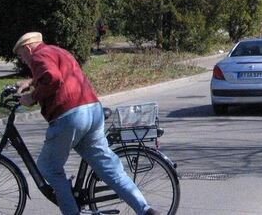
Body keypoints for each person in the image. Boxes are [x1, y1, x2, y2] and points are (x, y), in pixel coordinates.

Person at [13, 32, 160, 215]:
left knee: (48, 167)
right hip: (91, 109)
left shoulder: (37, 56)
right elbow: (57, 72)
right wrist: (32, 81)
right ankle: (145, 209)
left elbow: (52, 77)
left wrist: (32, 97)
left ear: (28, 48)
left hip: (70, 115)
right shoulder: (57, 51)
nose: (23, 60)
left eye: (21, 55)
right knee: (109, 169)